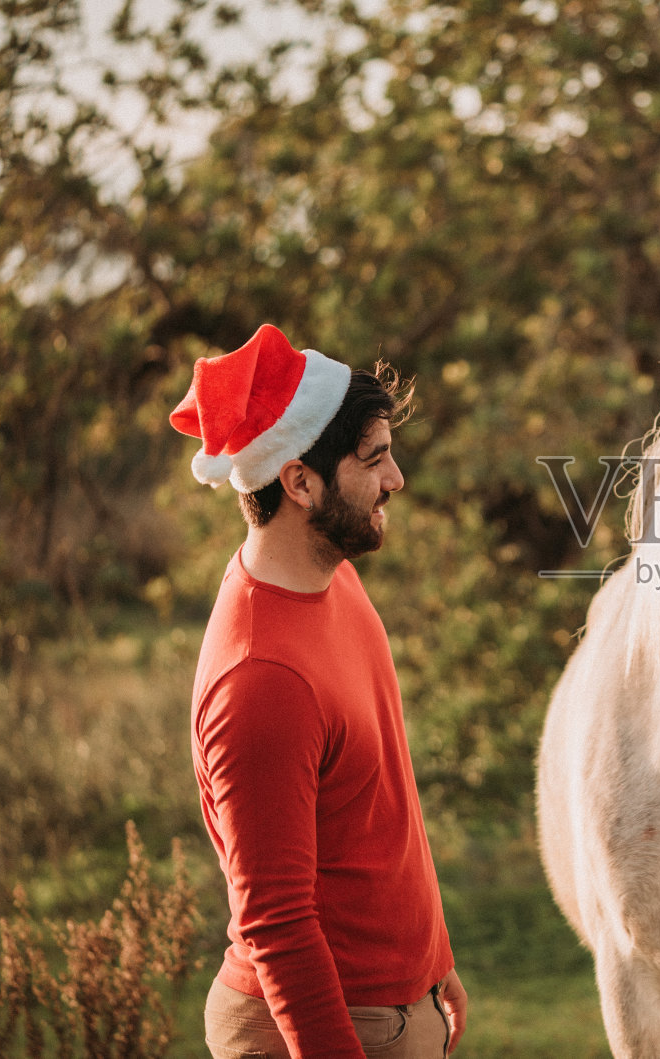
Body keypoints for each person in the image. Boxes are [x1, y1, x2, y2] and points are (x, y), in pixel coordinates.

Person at [171, 324, 467, 1058]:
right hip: (333, 1025)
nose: (396, 479)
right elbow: (277, 923)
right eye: (374, 458)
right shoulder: (261, 680)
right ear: (300, 481)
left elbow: (382, 804)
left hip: (396, 1006)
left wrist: (434, 962)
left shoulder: (334, 580)